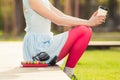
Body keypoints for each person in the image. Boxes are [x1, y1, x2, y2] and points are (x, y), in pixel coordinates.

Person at [22, 0, 106, 79]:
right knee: (84, 30)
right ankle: (68, 74)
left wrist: (88, 21)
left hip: (46, 43)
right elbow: (58, 20)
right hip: (37, 49)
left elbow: (62, 16)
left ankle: (69, 73)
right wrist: (89, 22)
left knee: (87, 30)